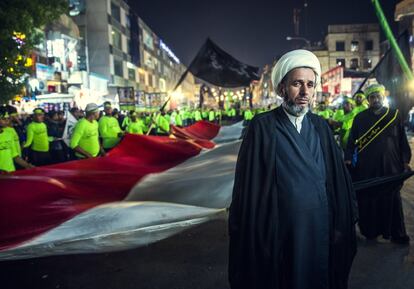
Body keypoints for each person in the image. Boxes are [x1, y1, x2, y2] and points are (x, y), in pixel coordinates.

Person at [229, 49, 357, 289]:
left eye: (310, 84)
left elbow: (338, 181)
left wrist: (341, 221)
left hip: (319, 227)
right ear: (282, 88)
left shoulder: (320, 127)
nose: (305, 91)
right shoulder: (263, 127)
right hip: (280, 232)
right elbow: (250, 188)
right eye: (297, 83)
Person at [345, 84, 411, 244]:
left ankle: (397, 234)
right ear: (368, 100)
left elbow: (402, 140)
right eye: (372, 97)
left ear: (383, 97)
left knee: (393, 200)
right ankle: (371, 231)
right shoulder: (359, 118)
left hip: (391, 167)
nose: (375, 99)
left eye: (378, 96)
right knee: (369, 200)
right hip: (367, 168)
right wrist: (348, 157)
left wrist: (405, 160)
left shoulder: (394, 115)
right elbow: (352, 142)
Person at [0, 107, 34, 173]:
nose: (7, 121)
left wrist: (27, 165)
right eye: (4, 119)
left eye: (8, 118)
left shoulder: (8, 134)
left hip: (11, 172)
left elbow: (15, 156)